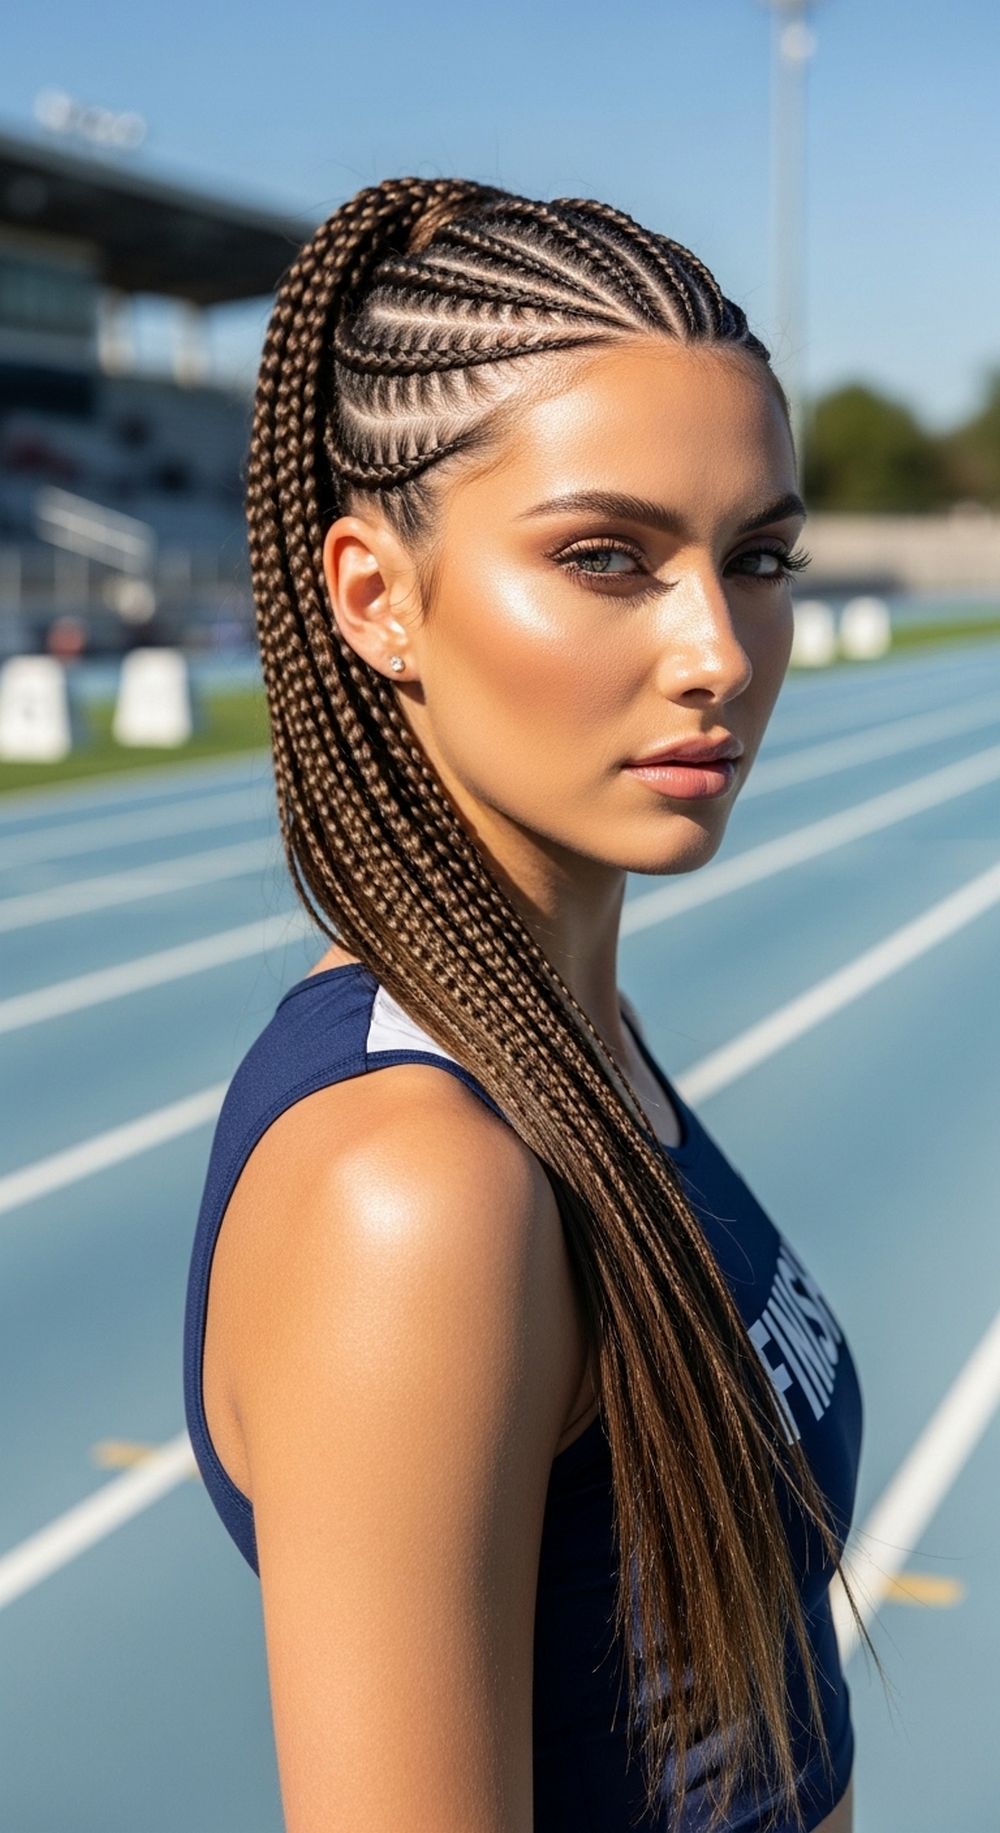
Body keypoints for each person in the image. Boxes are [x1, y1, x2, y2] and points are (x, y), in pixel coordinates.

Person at [183, 177, 882, 1831]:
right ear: (377, 597)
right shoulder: (414, 1191)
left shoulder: (569, 1040)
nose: (719, 647)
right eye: (605, 557)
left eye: (758, 556)